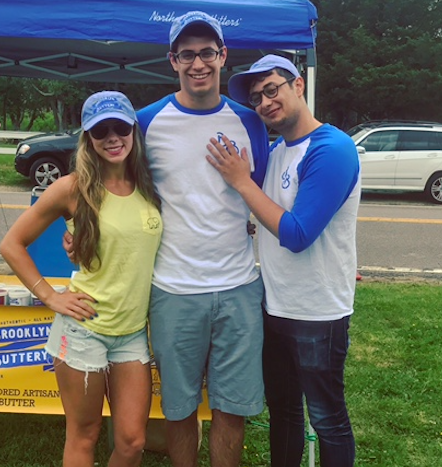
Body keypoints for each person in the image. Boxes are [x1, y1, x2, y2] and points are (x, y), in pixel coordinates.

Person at [63, 11, 269, 467]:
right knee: (178, 410)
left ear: (223, 57)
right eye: (188, 54)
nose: (199, 64)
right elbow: (106, 182)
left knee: (231, 409)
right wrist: (77, 225)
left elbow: (261, 197)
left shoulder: (250, 123)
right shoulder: (145, 122)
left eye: (208, 53)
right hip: (173, 292)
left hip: (238, 287)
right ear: (172, 60)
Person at [206, 54, 360, 467]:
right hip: (274, 306)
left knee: (327, 419)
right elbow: (273, 214)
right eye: (256, 98)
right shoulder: (276, 152)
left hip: (317, 312)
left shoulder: (332, 148)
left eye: (271, 89)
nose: (265, 102)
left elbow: (296, 234)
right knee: (285, 415)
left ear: (298, 85)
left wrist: (240, 181)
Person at [0, 91, 162, 467]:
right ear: (88, 138)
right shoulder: (72, 188)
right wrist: (49, 296)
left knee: (133, 441)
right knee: (84, 435)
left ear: (133, 131)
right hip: (83, 330)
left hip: (133, 332)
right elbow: (12, 244)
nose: (112, 137)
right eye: (100, 130)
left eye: (120, 127)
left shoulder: (150, 186)